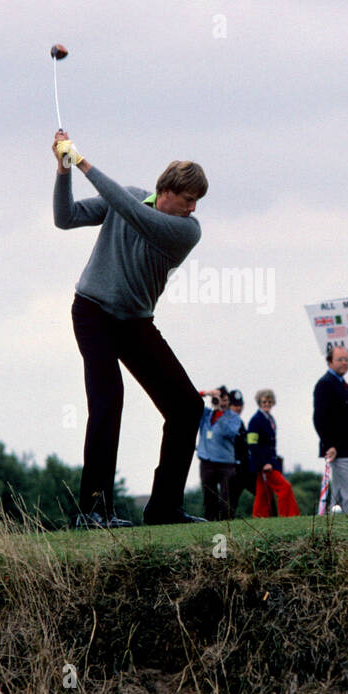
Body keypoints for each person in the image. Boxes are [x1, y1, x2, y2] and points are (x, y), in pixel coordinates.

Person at [52, 129, 208, 527]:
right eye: (188, 200)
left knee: (187, 407)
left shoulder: (186, 231)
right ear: (167, 191)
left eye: (196, 202)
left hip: (136, 322)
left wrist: (83, 161)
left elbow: (133, 211)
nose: (193, 208)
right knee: (108, 401)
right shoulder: (133, 196)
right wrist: (64, 171)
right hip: (93, 313)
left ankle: (164, 508)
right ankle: (92, 511)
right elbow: (65, 218)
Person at [313, 345, 348, 512]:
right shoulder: (325, 384)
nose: (344, 363)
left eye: (346, 360)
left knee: (339, 496)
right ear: (329, 362)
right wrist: (329, 445)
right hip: (339, 451)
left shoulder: (342, 383)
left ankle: (336, 531)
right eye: (340, 360)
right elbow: (319, 418)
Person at [248, 389, 298, 517]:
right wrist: (264, 463)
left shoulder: (270, 419)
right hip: (264, 464)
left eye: (270, 401)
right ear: (259, 402)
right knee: (284, 488)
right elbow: (252, 444)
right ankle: (288, 515)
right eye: (264, 401)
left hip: (271, 461)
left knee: (263, 493)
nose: (267, 404)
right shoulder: (255, 420)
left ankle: (259, 517)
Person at [196, 387, 243, 521]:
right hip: (207, 462)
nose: (221, 402)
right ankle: (210, 521)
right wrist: (206, 393)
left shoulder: (233, 417)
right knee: (209, 496)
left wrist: (220, 414)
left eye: (224, 400)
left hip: (226, 463)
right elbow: (190, 401)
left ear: (228, 401)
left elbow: (229, 433)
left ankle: (227, 523)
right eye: (219, 399)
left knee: (226, 496)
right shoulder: (206, 415)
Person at [227, 390, 255, 515]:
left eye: (240, 405)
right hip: (232, 469)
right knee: (230, 503)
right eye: (235, 405)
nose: (238, 408)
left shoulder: (240, 422)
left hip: (245, 467)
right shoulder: (225, 422)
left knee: (262, 494)